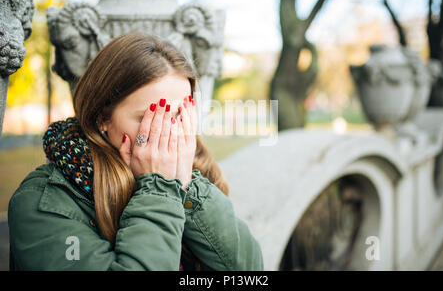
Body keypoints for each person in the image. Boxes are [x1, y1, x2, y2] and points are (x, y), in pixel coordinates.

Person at [7, 32, 264, 271]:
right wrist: (160, 189)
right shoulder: (43, 203)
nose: (169, 132)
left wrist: (185, 186)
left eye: (178, 116)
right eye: (150, 117)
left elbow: (249, 269)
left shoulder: (193, 172)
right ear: (102, 118)